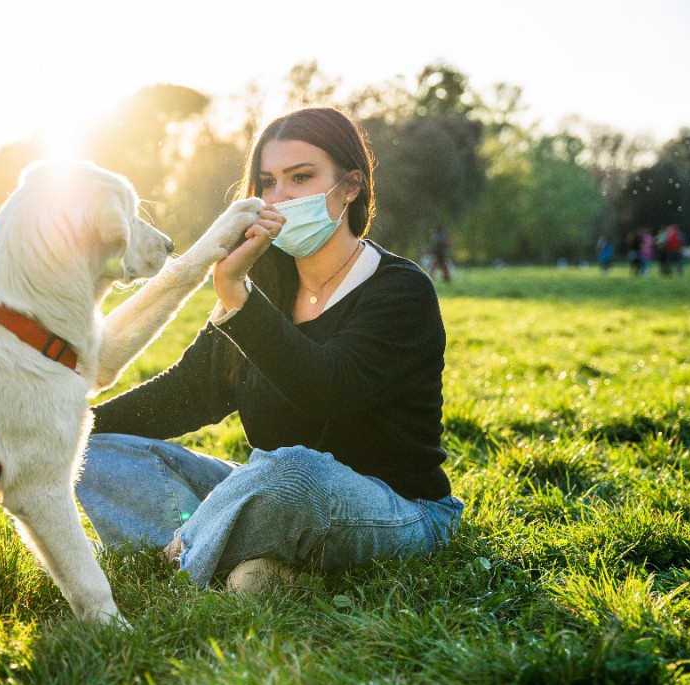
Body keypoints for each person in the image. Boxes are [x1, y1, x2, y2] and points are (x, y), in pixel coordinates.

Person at [75, 106, 464, 592]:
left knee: (293, 470)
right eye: (267, 182)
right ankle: (254, 567)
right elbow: (189, 392)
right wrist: (68, 429)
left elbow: (327, 389)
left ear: (351, 186)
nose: (278, 198)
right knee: (89, 449)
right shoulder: (266, 280)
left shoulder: (400, 291)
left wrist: (236, 295)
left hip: (398, 510)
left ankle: (176, 560)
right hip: (270, 491)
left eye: (300, 178)